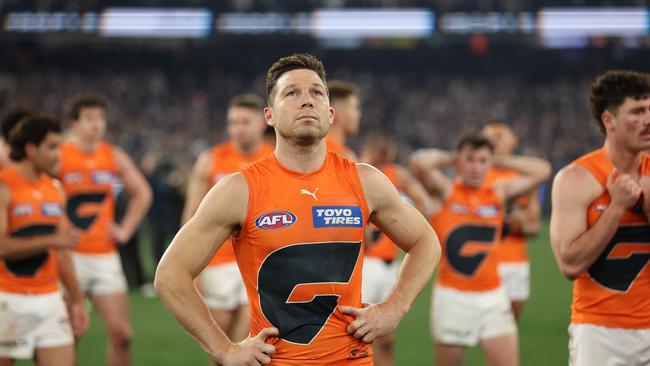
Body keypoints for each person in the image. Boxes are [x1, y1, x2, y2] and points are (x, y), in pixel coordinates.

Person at [155, 53, 440, 366]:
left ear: (331, 114)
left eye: (317, 92)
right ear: (269, 115)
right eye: (292, 93)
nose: (307, 101)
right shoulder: (239, 190)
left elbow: (426, 241)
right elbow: (170, 274)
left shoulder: (366, 181)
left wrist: (394, 307)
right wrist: (224, 349)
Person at [410, 132, 550, 366]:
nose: (476, 167)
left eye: (483, 161)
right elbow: (419, 162)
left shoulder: (497, 193)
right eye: (470, 160)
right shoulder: (447, 191)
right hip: (453, 297)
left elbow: (542, 170)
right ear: (458, 163)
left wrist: (498, 158)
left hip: (493, 296)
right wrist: (453, 157)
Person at [550, 70, 650, 365]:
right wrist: (617, 208)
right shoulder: (575, 178)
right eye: (637, 111)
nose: (648, 119)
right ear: (609, 120)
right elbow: (569, 263)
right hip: (600, 329)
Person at [58, 96, 152, 366]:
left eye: (100, 118)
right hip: (69, 257)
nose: (96, 124)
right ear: (74, 123)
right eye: (89, 118)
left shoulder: (113, 155)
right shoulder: (60, 155)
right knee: (68, 336)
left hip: (104, 256)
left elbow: (142, 193)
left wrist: (125, 230)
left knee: (122, 334)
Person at [181, 94, 273, 347]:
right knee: (220, 348)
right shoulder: (211, 160)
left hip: (259, 263)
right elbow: (191, 216)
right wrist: (192, 266)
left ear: (262, 123)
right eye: (233, 122)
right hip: (218, 261)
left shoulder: (275, 159)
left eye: (245, 122)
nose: (238, 128)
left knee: (246, 340)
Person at [0, 115, 89, 366]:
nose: (57, 154)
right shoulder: (4, 186)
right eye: (51, 147)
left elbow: (63, 252)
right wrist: (51, 239)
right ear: (30, 149)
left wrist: (77, 299)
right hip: (8, 301)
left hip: (50, 300)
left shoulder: (56, 189)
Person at [359, 132, 431, 366]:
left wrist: (404, 224)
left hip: (390, 265)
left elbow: (421, 201)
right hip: (364, 264)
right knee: (359, 335)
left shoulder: (396, 174)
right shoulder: (358, 173)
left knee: (386, 337)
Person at [483, 122, 541, 321]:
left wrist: (521, 224)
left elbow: (535, 228)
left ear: (513, 141)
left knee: (510, 327)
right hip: (485, 261)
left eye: (501, 135)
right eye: (491, 135)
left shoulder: (526, 179)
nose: (495, 139)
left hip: (515, 262)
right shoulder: (476, 176)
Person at [326, 80, 360, 160]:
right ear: (338, 113)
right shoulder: (345, 158)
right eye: (354, 108)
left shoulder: (314, 150)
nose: (358, 115)